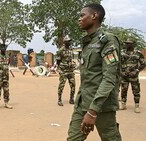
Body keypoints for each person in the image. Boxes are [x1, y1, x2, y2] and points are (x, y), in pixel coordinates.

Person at [67, 4, 122, 141]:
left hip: (101, 106)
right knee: (73, 138)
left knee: (110, 138)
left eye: (82, 15)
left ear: (94, 16)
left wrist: (92, 111)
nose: (79, 19)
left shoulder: (107, 40)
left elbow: (109, 79)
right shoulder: (87, 42)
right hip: (83, 102)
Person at [120, 39, 146, 113]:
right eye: (127, 43)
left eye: (129, 43)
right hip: (124, 75)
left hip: (133, 76)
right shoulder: (121, 53)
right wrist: (120, 72)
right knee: (123, 90)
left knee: (136, 91)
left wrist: (136, 71)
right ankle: (123, 104)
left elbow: (143, 64)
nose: (127, 45)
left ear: (134, 44)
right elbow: (117, 63)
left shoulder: (138, 53)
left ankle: (137, 105)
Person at [56, 35, 76, 106]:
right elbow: (58, 60)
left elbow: (71, 59)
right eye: (68, 41)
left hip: (70, 70)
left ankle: (71, 99)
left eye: (70, 41)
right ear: (65, 42)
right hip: (63, 71)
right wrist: (60, 69)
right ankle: (59, 99)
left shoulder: (71, 49)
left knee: (73, 85)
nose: (70, 42)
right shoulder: (61, 50)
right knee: (62, 85)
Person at [0, 43, 13, 110]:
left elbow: (8, 65)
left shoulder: (7, 56)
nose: (3, 49)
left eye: (4, 47)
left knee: (6, 90)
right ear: (0, 48)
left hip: (5, 77)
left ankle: (6, 103)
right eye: (2, 47)